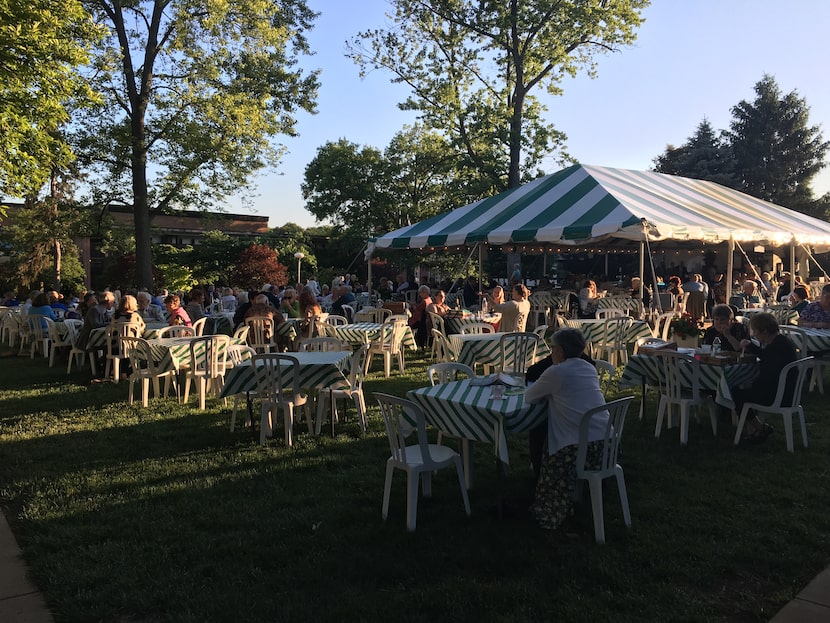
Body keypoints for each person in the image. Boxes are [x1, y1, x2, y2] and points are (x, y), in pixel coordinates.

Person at [524, 328, 608, 530]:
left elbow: (529, 396)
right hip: (607, 446)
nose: (551, 352)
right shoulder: (588, 368)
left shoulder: (557, 371)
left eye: (552, 348)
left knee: (540, 434)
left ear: (560, 351)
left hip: (579, 449)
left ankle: (548, 510)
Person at [734, 313, 797, 442]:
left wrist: (752, 384)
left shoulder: (776, 347)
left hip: (778, 395)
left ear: (765, 332)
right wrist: (751, 346)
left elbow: (768, 374)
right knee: (743, 390)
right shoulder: (782, 342)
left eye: (756, 331)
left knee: (737, 393)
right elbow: (766, 355)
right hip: (790, 392)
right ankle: (758, 427)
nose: (754, 334)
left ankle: (759, 427)